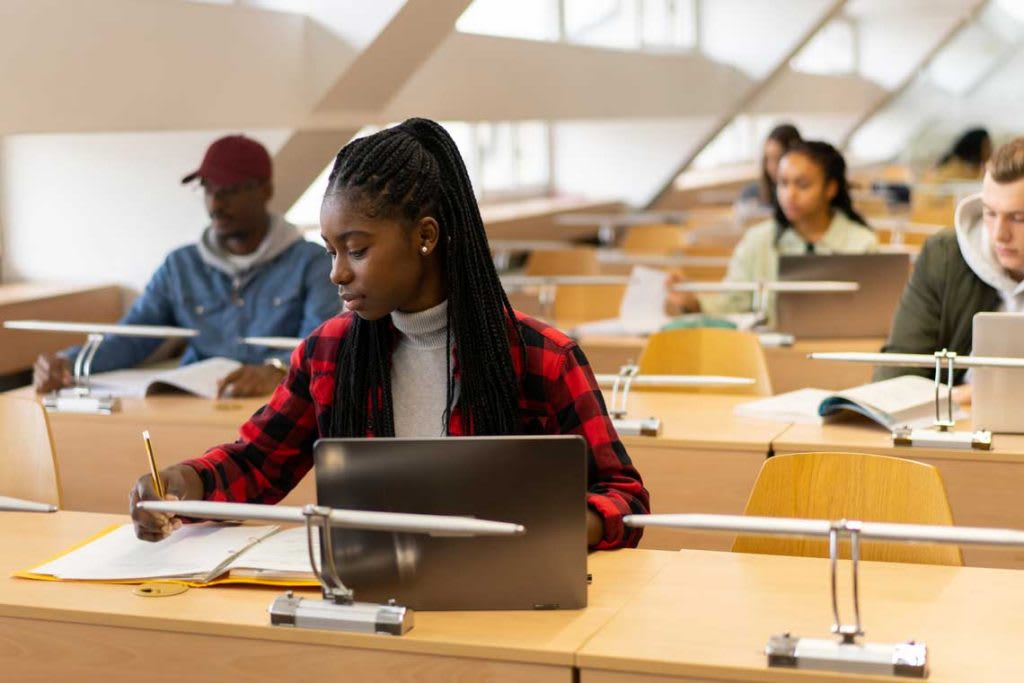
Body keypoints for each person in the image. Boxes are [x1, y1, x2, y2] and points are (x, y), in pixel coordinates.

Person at [130, 118, 650, 550]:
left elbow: (624, 498)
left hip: (503, 604)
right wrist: (183, 483)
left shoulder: (544, 359)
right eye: (331, 251)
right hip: (371, 601)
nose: (336, 273)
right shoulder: (327, 354)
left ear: (425, 236)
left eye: (356, 250)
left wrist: (552, 531)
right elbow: (258, 463)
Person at [33, 135, 339, 398]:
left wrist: (276, 370)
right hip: (195, 404)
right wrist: (68, 362)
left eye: (228, 191)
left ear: (265, 190)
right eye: (207, 189)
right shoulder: (180, 266)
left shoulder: (312, 262)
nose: (215, 204)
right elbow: (132, 337)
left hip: (276, 408)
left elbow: (318, 347)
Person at [874, 137, 1024, 402]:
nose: (999, 234)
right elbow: (894, 376)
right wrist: (962, 398)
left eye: (1019, 218)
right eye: (990, 213)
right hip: (953, 428)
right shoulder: (943, 258)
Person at [668, 141, 877, 322]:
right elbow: (731, 303)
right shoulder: (757, 240)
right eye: (783, 183)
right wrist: (693, 302)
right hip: (769, 358)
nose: (790, 194)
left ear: (830, 188)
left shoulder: (862, 243)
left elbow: (873, 314)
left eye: (802, 185)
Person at [736, 123, 803, 212]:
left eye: (778, 158)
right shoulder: (751, 194)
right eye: (768, 158)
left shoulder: (803, 196)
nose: (772, 167)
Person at [926, 128, 992, 183]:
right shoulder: (958, 169)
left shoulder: (970, 169)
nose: (990, 150)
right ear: (975, 147)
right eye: (987, 146)